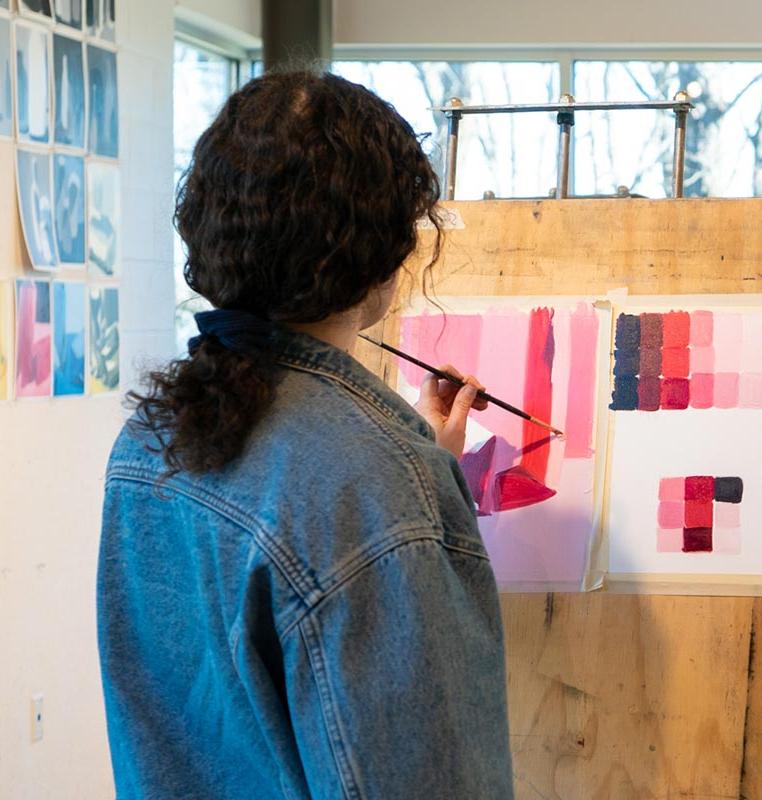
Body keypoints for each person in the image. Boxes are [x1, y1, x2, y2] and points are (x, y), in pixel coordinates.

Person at [97, 71, 512, 798]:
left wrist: (418, 474)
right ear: (377, 254)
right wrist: (412, 492)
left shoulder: (149, 438)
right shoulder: (379, 487)